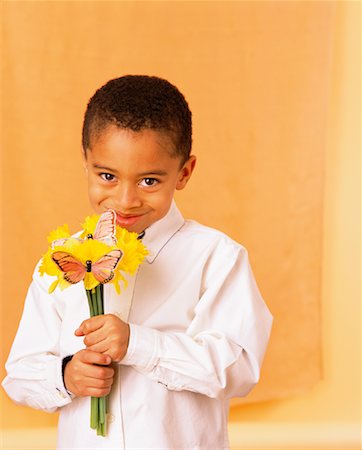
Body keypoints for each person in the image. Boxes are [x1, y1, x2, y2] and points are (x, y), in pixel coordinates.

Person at [2, 75, 273, 449]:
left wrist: (138, 345)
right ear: (85, 163)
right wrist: (65, 376)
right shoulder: (62, 260)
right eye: (107, 176)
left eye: (149, 181)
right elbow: (19, 374)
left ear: (184, 172)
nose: (125, 200)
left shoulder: (217, 258)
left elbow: (237, 367)